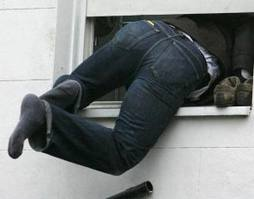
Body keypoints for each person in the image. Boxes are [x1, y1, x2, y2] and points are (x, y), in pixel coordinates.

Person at [8, 14, 253, 175]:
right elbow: (246, 20)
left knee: (84, 82)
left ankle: (66, 93)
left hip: (142, 30)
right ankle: (46, 115)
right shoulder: (232, 18)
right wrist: (241, 74)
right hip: (180, 60)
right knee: (122, 151)